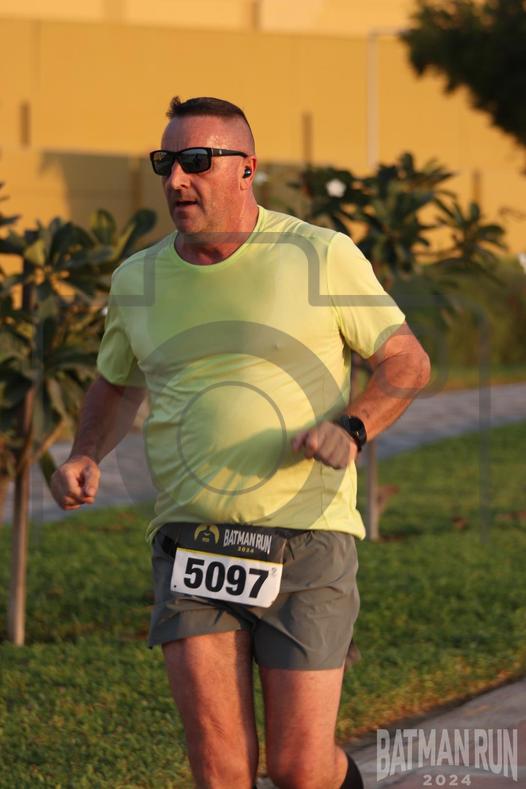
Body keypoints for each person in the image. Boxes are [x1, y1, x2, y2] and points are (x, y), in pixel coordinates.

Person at [51, 96, 431, 789]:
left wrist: (352, 427)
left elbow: (406, 360)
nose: (177, 179)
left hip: (307, 536)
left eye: (197, 161)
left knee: (299, 767)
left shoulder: (318, 255)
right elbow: (115, 383)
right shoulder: (137, 279)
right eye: (166, 163)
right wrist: (84, 453)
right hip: (191, 540)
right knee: (220, 770)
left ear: (247, 168)